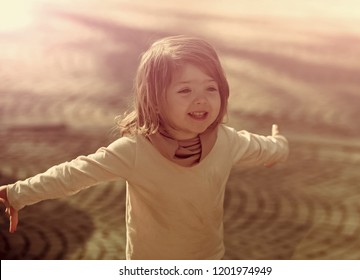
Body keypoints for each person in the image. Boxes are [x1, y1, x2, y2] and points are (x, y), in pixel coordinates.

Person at [0, 35, 289, 260]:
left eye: (210, 88)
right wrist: (17, 194)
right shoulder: (135, 151)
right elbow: (74, 174)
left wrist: (279, 145)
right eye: (185, 90)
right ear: (155, 99)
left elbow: (269, 149)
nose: (201, 100)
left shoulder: (227, 140)